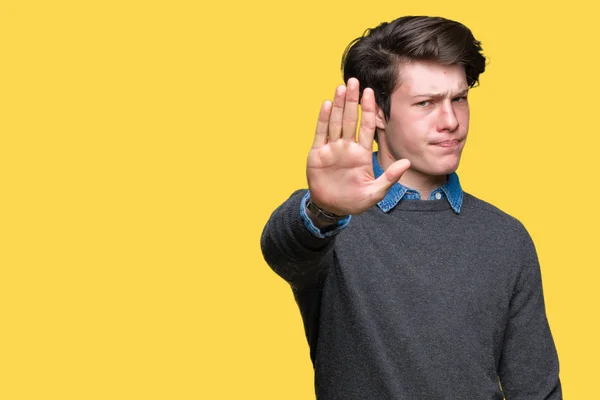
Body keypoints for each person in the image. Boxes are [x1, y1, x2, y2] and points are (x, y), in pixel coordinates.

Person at [260, 15, 561, 399]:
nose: (451, 121)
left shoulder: (506, 236)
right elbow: (284, 248)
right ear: (378, 114)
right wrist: (325, 210)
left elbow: (537, 390)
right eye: (426, 103)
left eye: (459, 98)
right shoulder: (331, 223)